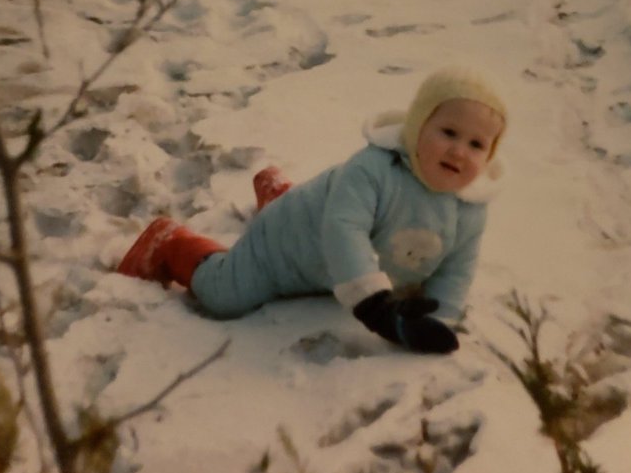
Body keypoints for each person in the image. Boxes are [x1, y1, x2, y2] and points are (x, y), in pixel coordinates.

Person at [116, 66, 507, 355]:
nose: (459, 150)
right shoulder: (373, 169)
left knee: (319, 206)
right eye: (449, 133)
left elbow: (457, 268)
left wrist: (437, 321)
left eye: (476, 144)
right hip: (286, 247)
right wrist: (375, 305)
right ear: (418, 126)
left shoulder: (470, 209)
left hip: (324, 252)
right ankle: (171, 242)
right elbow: (343, 230)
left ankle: (281, 191)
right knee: (224, 295)